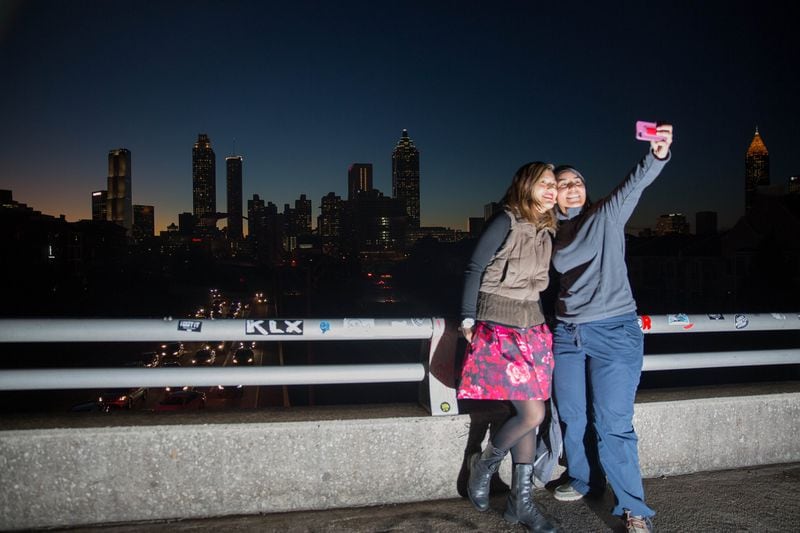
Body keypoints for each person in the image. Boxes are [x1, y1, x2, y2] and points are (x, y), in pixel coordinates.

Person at [549, 124, 673, 533]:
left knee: (612, 422)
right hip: (567, 335)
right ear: (551, 192)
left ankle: (635, 508)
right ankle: (584, 479)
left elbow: (634, 185)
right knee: (571, 415)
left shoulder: (604, 215)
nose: (573, 188)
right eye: (564, 183)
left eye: (578, 182)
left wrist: (656, 154)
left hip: (614, 332)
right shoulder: (549, 232)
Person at [458, 161, 559, 533]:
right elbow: (474, 268)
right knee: (533, 414)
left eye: (554, 185)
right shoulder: (506, 220)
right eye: (543, 184)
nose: (550, 190)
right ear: (526, 185)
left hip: (534, 326)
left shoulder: (546, 230)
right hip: (499, 325)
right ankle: (483, 465)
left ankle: (521, 505)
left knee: (528, 413)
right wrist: (468, 318)